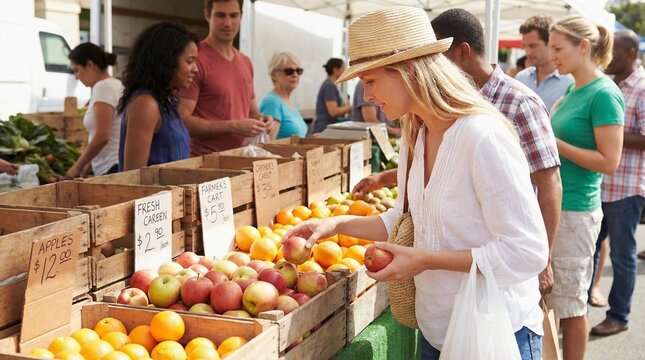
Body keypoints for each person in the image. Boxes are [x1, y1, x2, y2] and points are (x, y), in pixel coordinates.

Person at [284, 7, 548, 360]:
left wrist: (423, 259)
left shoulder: (482, 137)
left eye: (371, 81)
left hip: (496, 331)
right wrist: (333, 225)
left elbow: (527, 252)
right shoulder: (417, 135)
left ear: (409, 71)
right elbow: (404, 218)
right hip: (436, 330)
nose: (366, 95)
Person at [431, 8, 561, 297]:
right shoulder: (450, 103)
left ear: (462, 52)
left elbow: (549, 183)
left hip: (509, 266)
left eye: (437, 58)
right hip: (467, 268)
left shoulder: (519, 102)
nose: (432, 69)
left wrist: (543, 258)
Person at [546, 16, 624, 360]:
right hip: (556, 205)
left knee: (572, 305)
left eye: (558, 48)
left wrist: (554, 144)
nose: (552, 56)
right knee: (553, 298)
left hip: (577, 211)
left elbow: (609, 161)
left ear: (584, 47)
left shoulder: (605, 94)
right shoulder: (571, 87)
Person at [588, 29, 645, 336]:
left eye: (614, 52)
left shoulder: (642, 86)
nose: (606, 57)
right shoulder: (610, 84)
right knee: (592, 250)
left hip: (626, 188)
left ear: (631, 54)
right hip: (601, 184)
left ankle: (619, 316)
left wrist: (608, 133)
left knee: (623, 257)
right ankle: (580, 308)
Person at [178, 0, 273, 155]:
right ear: (207, 15)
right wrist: (234, 126)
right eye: (221, 15)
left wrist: (262, 121)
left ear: (241, 16)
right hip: (207, 164)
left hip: (243, 158)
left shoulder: (245, 61)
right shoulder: (195, 59)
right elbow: (182, 121)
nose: (228, 23)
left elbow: (252, 112)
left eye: (233, 15)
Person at [117, 22, 198, 171]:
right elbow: (133, 176)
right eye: (190, 61)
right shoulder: (145, 104)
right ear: (167, 61)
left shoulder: (168, 102)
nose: (196, 69)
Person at [66, 43, 122, 177]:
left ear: (90, 65)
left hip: (111, 168)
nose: (76, 76)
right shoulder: (115, 84)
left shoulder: (103, 87)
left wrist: (76, 168)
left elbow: (103, 136)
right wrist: (87, 167)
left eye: (76, 70)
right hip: (112, 166)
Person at [516, 16, 574, 111]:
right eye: (525, 46)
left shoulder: (570, 82)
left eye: (533, 46)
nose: (527, 52)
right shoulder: (520, 78)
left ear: (550, 44)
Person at [259, 52, 307, 139]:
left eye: (299, 71)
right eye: (289, 71)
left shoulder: (290, 100)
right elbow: (268, 144)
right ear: (274, 75)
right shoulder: (272, 102)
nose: (295, 75)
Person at [312, 58, 352, 134]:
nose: (344, 71)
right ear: (335, 70)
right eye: (343, 68)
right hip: (323, 129)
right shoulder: (329, 86)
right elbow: (333, 111)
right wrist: (350, 107)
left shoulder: (331, 85)